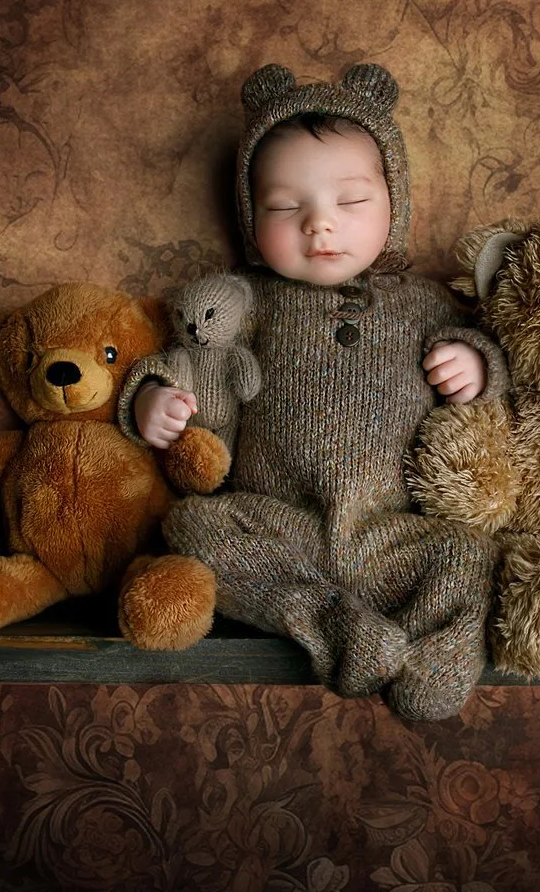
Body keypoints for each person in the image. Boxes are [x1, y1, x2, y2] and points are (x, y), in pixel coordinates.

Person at [117, 63, 508, 720]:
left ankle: (438, 653)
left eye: (351, 203)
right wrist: (152, 398)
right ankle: (337, 629)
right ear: (250, 214)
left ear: (394, 202)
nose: (319, 226)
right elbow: (191, 358)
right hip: (280, 529)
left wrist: (476, 365)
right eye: (284, 208)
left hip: (392, 535)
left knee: (472, 554)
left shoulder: (427, 306)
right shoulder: (251, 301)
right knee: (190, 527)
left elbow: (499, 379)